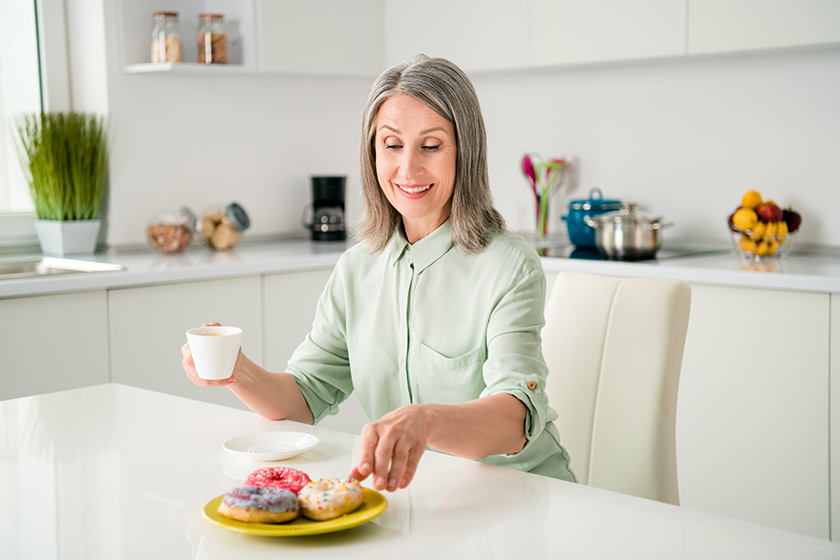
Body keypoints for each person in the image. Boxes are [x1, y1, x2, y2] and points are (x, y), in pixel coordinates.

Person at [182, 54, 575, 492]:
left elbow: (515, 418)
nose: (408, 168)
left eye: (431, 145)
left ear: (465, 152)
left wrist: (425, 421)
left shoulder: (508, 265)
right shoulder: (357, 268)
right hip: (421, 498)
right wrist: (238, 371)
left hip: (524, 496)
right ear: (372, 153)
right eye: (391, 145)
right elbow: (305, 397)